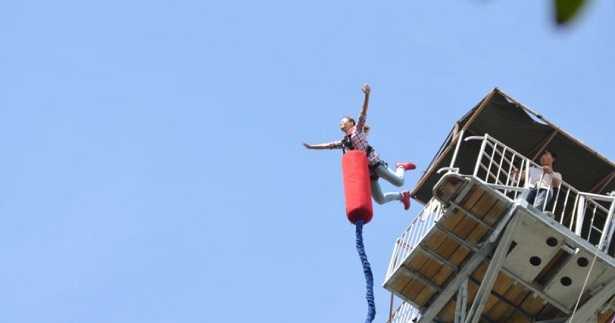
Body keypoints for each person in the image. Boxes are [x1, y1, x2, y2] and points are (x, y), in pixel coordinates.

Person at [303, 84, 416, 210]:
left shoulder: (358, 131)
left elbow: (363, 112)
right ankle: (402, 196)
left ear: (351, 123)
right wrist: (312, 147)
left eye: (343, 122)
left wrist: (367, 95)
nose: (340, 124)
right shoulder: (344, 142)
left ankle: (401, 167)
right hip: (369, 173)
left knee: (399, 182)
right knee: (380, 199)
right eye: (340, 123)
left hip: (375, 165)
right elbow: (328, 145)